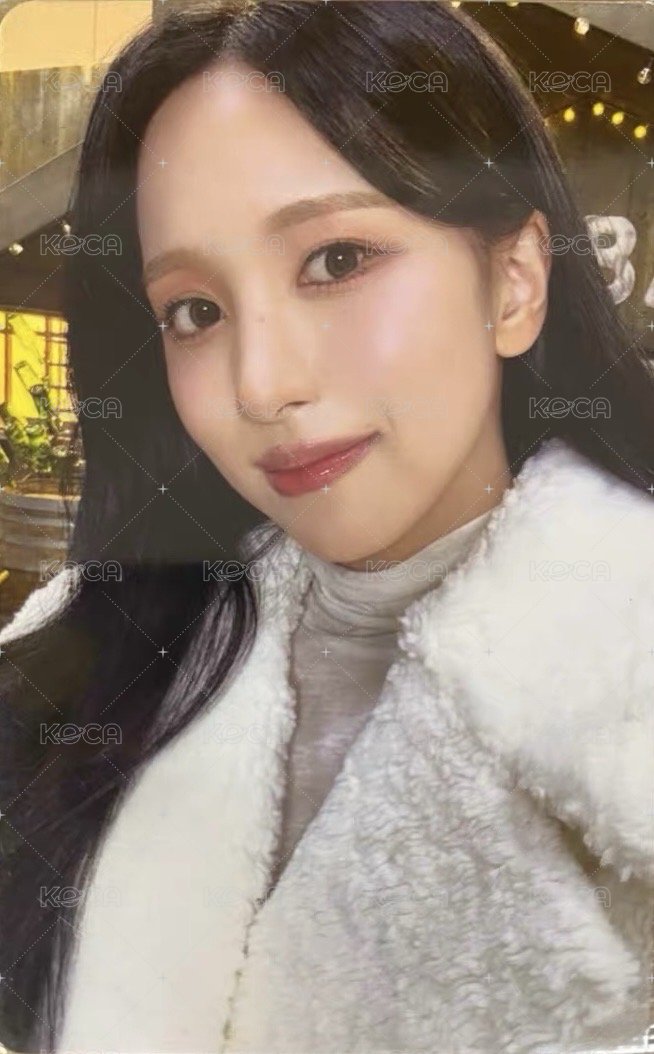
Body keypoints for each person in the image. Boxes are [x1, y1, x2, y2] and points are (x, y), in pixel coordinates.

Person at [0, 2, 653, 1052]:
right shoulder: (86, 646)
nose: (261, 384)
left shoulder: (624, 687)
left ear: (515, 281)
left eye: (337, 260)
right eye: (195, 311)